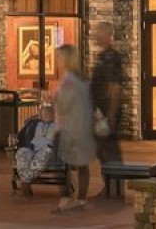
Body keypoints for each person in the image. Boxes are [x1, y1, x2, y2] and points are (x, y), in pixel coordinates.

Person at [52, 44, 96, 212]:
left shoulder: (69, 81)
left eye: (59, 57)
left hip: (68, 129)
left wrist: (55, 99)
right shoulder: (79, 79)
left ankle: (66, 199)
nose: (57, 61)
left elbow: (65, 106)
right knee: (80, 164)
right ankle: (79, 200)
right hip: (79, 127)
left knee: (61, 165)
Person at [89, 22, 127, 191]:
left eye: (98, 32)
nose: (95, 36)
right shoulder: (102, 57)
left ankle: (115, 186)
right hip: (99, 112)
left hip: (107, 113)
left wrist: (111, 114)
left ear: (108, 35)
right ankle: (110, 184)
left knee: (109, 149)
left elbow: (115, 87)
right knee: (102, 149)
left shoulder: (111, 57)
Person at [14, 104, 58, 194]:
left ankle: (24, 181)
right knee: (22, 153)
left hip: (47, 149)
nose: (46, 114)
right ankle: (25, 181)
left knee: (43, 155)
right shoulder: (33, 123)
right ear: (40, 113)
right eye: (44, 111)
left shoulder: (58, 125)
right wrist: (30, 120)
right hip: (31, 148)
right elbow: (21, 136)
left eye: (49, 112)